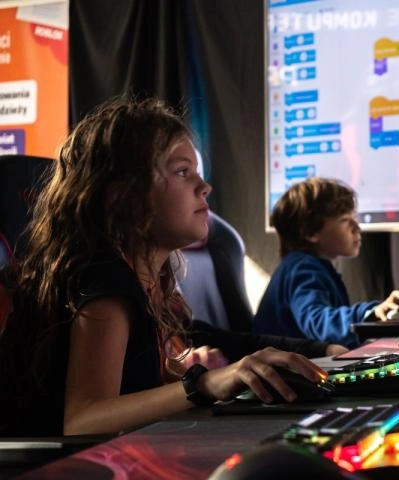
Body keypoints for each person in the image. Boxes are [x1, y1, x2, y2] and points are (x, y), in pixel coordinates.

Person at [0, 97, 345, 437]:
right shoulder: (104, 282)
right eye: (183, 172)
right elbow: (83, 419)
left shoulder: (151, 282)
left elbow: (211, 337)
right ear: (122, 195)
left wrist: (320, 351)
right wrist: (203, 384)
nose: (204, 187)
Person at [253, 177, 399, 347]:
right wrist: (369, 313)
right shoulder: (302, 269)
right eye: (345, 220)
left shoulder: (307, 266)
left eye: (354, 218)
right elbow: (318, 322)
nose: (357, 228)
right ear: (310, 232)